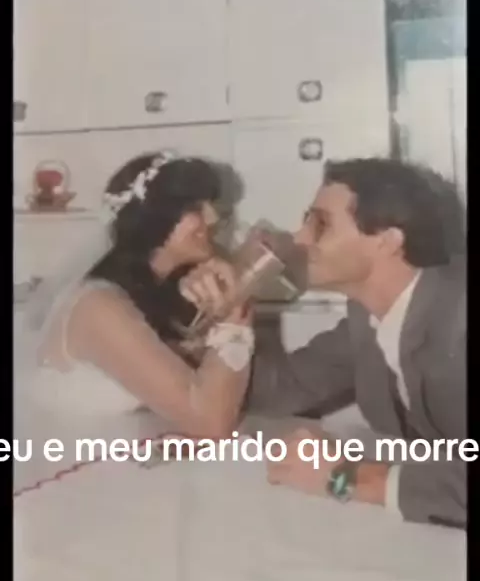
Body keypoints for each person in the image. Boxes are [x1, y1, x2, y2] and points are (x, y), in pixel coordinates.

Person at [180, 157, 467, 528]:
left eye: (320, 224)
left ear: (387, 241)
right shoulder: (367, 317)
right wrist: (234, 309)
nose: (299, 239)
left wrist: (346, 477)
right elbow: (278, 393)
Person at [18, 153, 254, 439]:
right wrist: (234, 316)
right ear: (153, 219)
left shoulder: (161, 292)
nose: (213, 218)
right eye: (195, 207)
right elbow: (209, 423)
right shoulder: (98, 307)